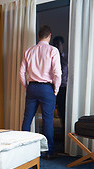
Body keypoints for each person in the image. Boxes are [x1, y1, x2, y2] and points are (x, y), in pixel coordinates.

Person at [19, 25, 62, 159]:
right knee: (47, 121)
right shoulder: (52, 50)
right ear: (49, 36)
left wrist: (27, 86)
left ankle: (22, 149)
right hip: (46, 88)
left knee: (27, 119)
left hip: (32, 87)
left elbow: (21, 72)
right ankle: (48, 152)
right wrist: (56, 89)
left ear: (39, 36)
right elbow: (57, 72)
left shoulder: (29, 51)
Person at [52, 36, 68, 135]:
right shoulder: (51, 58)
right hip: (52, 87)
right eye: (55, 44)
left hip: (63, 88)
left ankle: (64, 135)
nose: (56, 46)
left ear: (63, 44)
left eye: (58, 44)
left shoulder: (67, 58)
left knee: (63, 112)